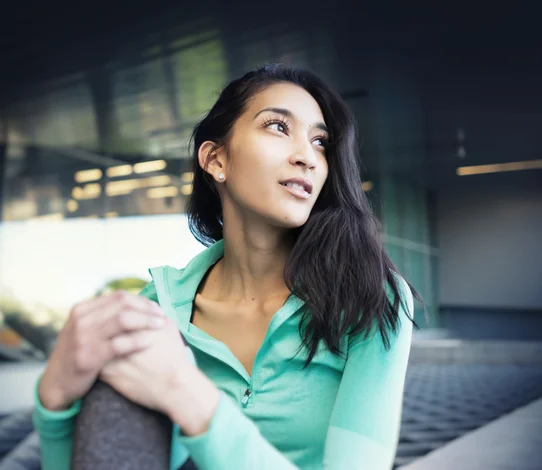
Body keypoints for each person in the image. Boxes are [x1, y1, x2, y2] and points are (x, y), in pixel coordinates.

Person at [33, 64, 417, 470]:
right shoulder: (156, 310)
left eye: (320, 141)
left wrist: (189, 397)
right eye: (277, 127)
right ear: (216, 159)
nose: (307, 157)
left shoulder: (370, 297)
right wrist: (54, 400)